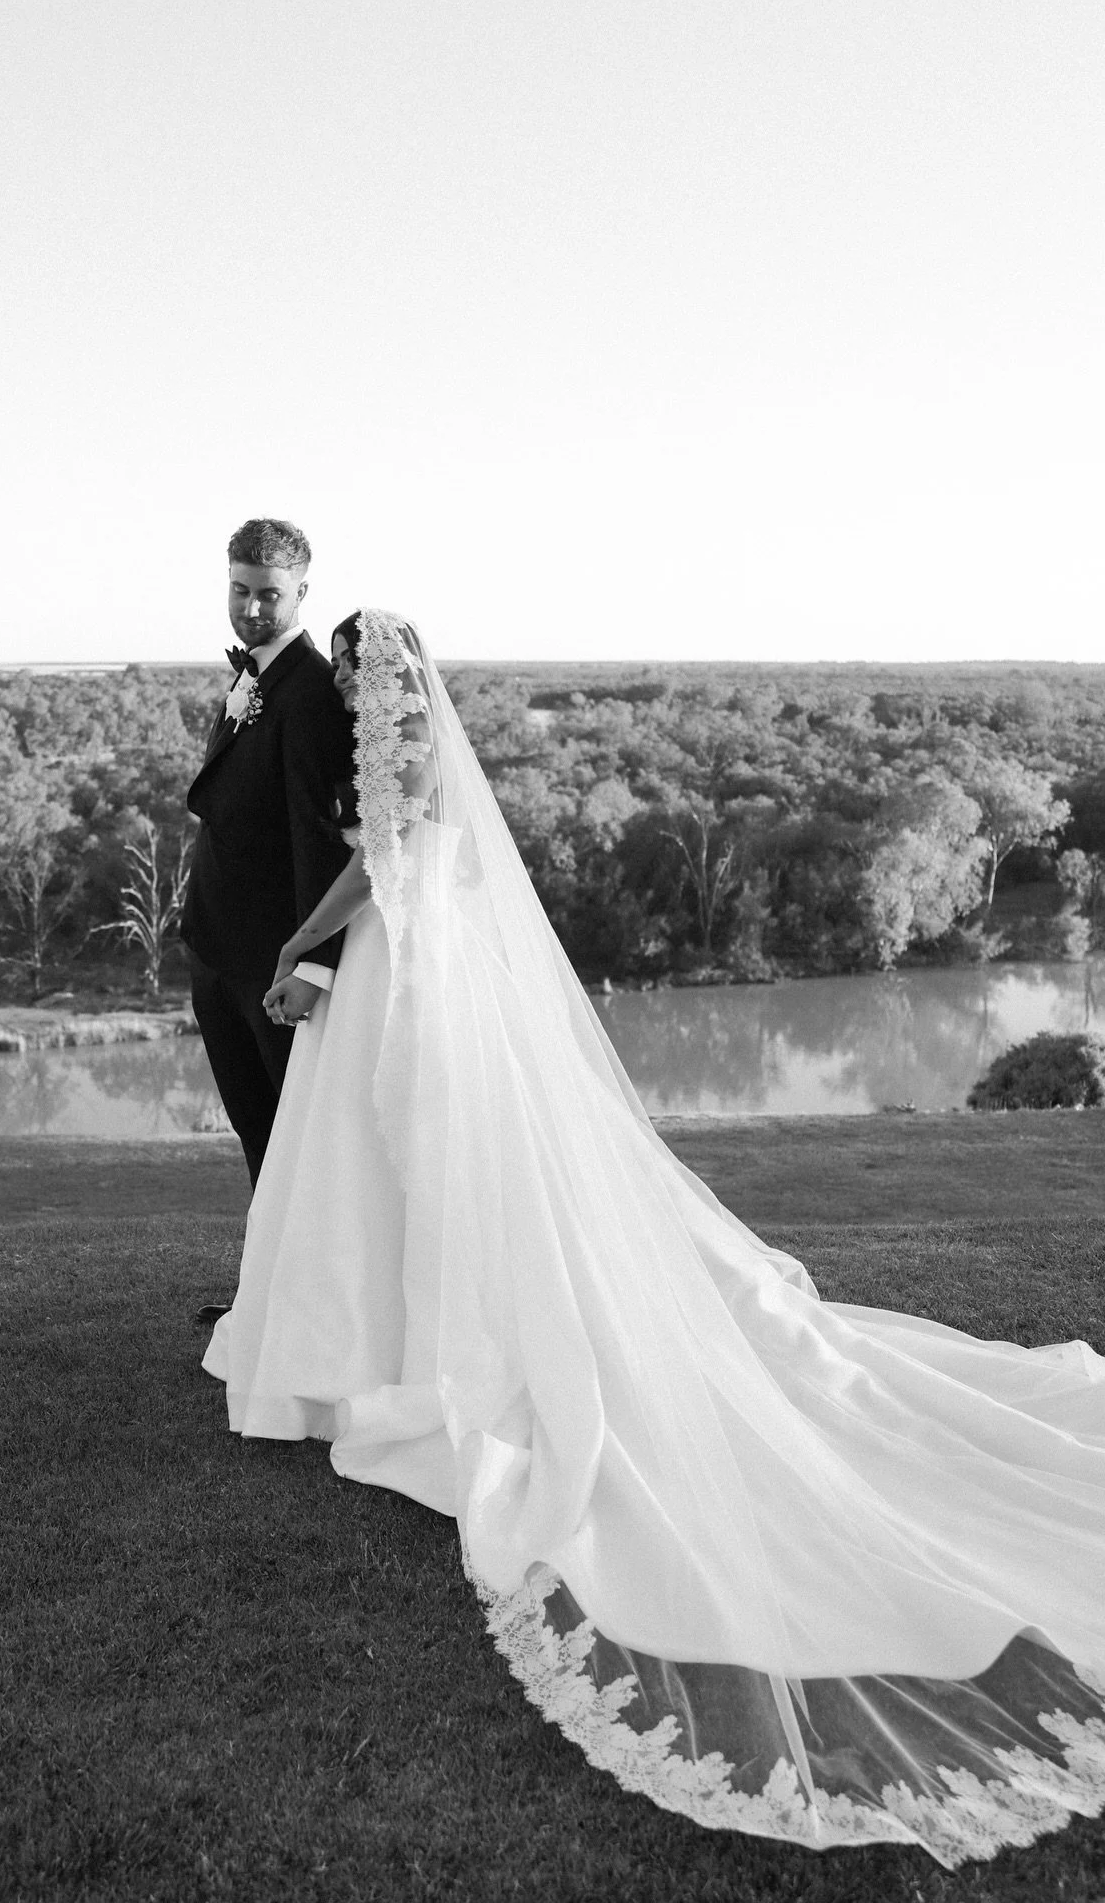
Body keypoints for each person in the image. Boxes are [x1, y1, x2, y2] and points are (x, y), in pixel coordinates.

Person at [205, 608, 1105, 1868]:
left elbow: (395, 854)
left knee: (420, 1158)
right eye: (364, 673)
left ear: (383, 678)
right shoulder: (395, 737)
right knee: (397, 1161)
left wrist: (304, 939)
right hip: (417, 961)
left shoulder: (393, 748)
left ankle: (399, 1345)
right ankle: (368, 1335)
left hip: (403, 960)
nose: (361, 684)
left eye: (364, 670)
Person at [179, 518, 355, 1209]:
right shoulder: (253, 680)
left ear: (301, 592)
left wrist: (314, 967)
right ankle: (265, 1301)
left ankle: (303, 1303)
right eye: (239, 590)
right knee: (256, 1132)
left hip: (273, 965)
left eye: (269, 595)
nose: (251, 608)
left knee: (295, 1136)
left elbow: (321, 842)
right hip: (215, 950)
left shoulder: (311, 697)